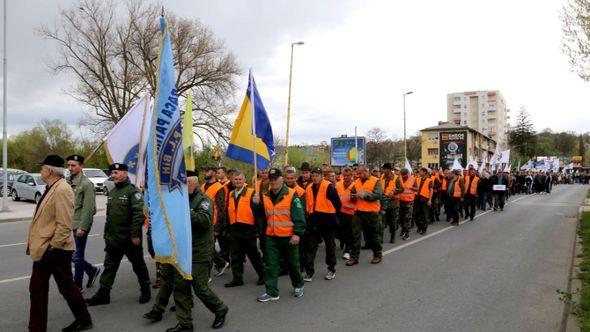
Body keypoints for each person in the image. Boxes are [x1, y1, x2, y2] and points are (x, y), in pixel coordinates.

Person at [27, 155, 93, 332]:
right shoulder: (52, 187)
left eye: (42, 168)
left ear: (49, 170)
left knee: (64, 288)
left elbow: (64, 224)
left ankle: (83, 320)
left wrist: (53, 247)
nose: (40, 170)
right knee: (40, 288)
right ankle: (82, 319)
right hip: (47, 248)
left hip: (55, 249)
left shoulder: (62, 189)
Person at [166, 170, 228, 332]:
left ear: (194, 183)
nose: (185, 186)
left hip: (199, 252)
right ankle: (185, 323)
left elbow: (204, 221)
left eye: (188, 183)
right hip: (182, 251)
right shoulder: (180, 199)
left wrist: (186, 211)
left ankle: (220, 309)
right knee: (180, 288)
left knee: (200, 288)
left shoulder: (203, 200)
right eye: (183, 183)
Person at [85, 163, 150, 306]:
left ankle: (145, 289)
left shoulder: (133, 192)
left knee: (138, 266)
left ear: (125, 174)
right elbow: (110, 218)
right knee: (109, 267)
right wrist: (107, 236)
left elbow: (139, 214)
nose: (112, 175)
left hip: (129, 239)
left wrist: (134, 235)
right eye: (112, 173)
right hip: (113, 239)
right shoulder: (113, 192)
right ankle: (103, 295)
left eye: (115, 172)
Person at [255, 168, 306, 302]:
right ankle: (271, 292)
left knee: (293, 264)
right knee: (271, 265)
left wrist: (297, 234)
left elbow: (299, 216)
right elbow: (261, 215)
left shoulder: (291, 194)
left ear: (281, 179)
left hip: (289, 236)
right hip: (271, 236)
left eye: (275, 179)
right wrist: (255, 204)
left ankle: (298, 285)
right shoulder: (265, 196)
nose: (273, 182)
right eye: (271, 179)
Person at [66, 154, 100, 293]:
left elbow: (89, 208)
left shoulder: (86, 184)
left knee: (77, 256)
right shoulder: (66, 182)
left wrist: (83, 227)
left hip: (79, 224)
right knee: (69, 254)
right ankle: (92, 270)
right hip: (67, 224)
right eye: (68, 165)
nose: (70, 168)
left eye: (73, 165)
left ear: (81, 166)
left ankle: (77, 285)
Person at [224, 172, 265, 287]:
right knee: (235, 255)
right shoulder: (231, 193)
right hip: (235, 228)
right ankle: (237, 278)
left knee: (253, 255)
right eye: (235, 179)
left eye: (239, 179)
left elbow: (259, 213)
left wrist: (258, 203)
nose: (237, 181)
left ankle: (263, 275)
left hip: (248, 228)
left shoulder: (252, 192)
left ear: (244, 180)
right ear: (232, 180)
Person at [303, 167, 342, 281]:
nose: (315, 178)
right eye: (313, 176)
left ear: (322, 176)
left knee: (330, 247)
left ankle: (331, 269)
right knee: (311, 247)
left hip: (327, 221)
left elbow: (338, 204)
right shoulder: (309, 187)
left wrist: (332, 215)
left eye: (317, 176)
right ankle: (309, 272)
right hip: (313, 221)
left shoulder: (329, 187)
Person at [346, 164, 384, 266]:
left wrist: (366, 196)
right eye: (358, 173)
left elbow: (379, 195)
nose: (358, 175)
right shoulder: (356, 182)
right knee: (355, 235)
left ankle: (377, 255)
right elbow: (353, 193)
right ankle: (354, 257)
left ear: (366, 172)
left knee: (374, 235)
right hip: (358, 212)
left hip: (372, 213)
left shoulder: (376, 181)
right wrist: (353, 197)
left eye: (360, 173)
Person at [201, 165, 230, 276]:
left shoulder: (219, 187)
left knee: (207, 247)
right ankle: (221, 263)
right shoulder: (203, 186)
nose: (205, 173)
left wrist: (217, 227)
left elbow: (221, 209)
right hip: (204, 221)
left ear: (213, 173)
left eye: (207, 171)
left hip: (213, 223)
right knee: (207, 247)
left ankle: (211, 269)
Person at [335, 167, 356, 259]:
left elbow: (358, 199)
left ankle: (348, 250)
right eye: (344, 175)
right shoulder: (338, 185)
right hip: (340, 212)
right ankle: (343, 241)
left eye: (348, 175)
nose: (346, 177)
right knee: (341, 231)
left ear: (351, 176)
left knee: (349, 232)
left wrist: (354, 198)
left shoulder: (355, 185)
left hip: (351, 212)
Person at [380, 163, 403, 243]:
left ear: (389, 169)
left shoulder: (396, 178)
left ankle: (393, 236)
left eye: (384, 169)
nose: (383, 170)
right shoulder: (381, 177)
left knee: (392, 222)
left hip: (392, 203)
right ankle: (381, 238)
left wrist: (394, 192)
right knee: (382, 222)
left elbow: (401, 189)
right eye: (383, 169)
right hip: (382, 202)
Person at [398, 168, 418, 240]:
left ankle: (407, 233)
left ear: (408, 174)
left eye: (404, 175)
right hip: (400, 200)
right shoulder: (399, 178)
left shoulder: (413, 179)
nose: (403, 176)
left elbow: (417, 188)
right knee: (401, 217)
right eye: (402, 175)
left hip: (409, 201)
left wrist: (412, 188)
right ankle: (403, 229)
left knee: (408, 218)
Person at [414, 168, 433, 235]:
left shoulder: (429, 180)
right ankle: (419, 226)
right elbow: (415, 188)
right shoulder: (417, 179)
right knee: (415, 214)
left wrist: (430, 200)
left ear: (425, 172)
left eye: (421, 171)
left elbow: (431, 191)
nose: (419, 172)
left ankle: (424, 229)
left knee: (424, 215)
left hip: (425, 199)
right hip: (417, 199)